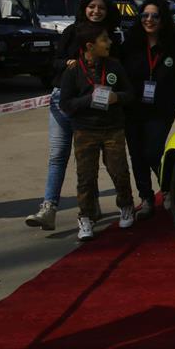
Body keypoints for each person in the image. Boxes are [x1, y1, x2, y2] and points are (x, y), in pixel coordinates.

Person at [25, 0, 122, 231]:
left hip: (94, 105)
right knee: (58, 155)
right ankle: (49, 208)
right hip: (63, 100)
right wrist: (67, 64)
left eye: (101, 7)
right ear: (84, 9)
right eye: (91, 7)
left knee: (88, 159)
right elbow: (53, 63)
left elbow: (118, 71)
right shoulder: (71, 33)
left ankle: (91, 206)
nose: (96, 11)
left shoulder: (113, 37)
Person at [122, 0, 175, 220]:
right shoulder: (130, 44)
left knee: (153, 151)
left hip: (162, 109)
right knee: (137, 155)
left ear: (163, 19)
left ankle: (167, 190)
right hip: (133, 109)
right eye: (145, 15)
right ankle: (146, 198)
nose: (149, 20)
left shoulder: (174, 46)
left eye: (154, 16)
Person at [59, 23, 136, 241]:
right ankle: (85, 216)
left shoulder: (114, 66)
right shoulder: (73, 71)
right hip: (85, 130)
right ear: (89, 46)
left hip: (113, 128)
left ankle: (126, 205)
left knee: (119, 170)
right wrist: (87, 100)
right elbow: (65, 104)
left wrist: (117, 98)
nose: (110, 43)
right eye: (105, 40)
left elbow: (130, 93)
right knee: (86, 177)